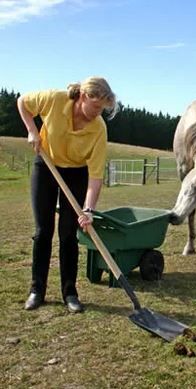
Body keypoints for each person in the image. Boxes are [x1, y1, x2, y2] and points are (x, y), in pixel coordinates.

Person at [17, 76, 118, 313]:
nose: (97, 113)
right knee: (43, 231)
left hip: (77, 175)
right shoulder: (54, 99)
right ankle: (36, 290)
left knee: (68, 234)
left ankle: (70, 293)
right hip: (47, 166)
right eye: (95, 106)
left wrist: (88, 210)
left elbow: (95, 176)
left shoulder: (98, 129)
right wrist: (32, 130)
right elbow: (22, 102)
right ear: (83, 96)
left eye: (102, 109)